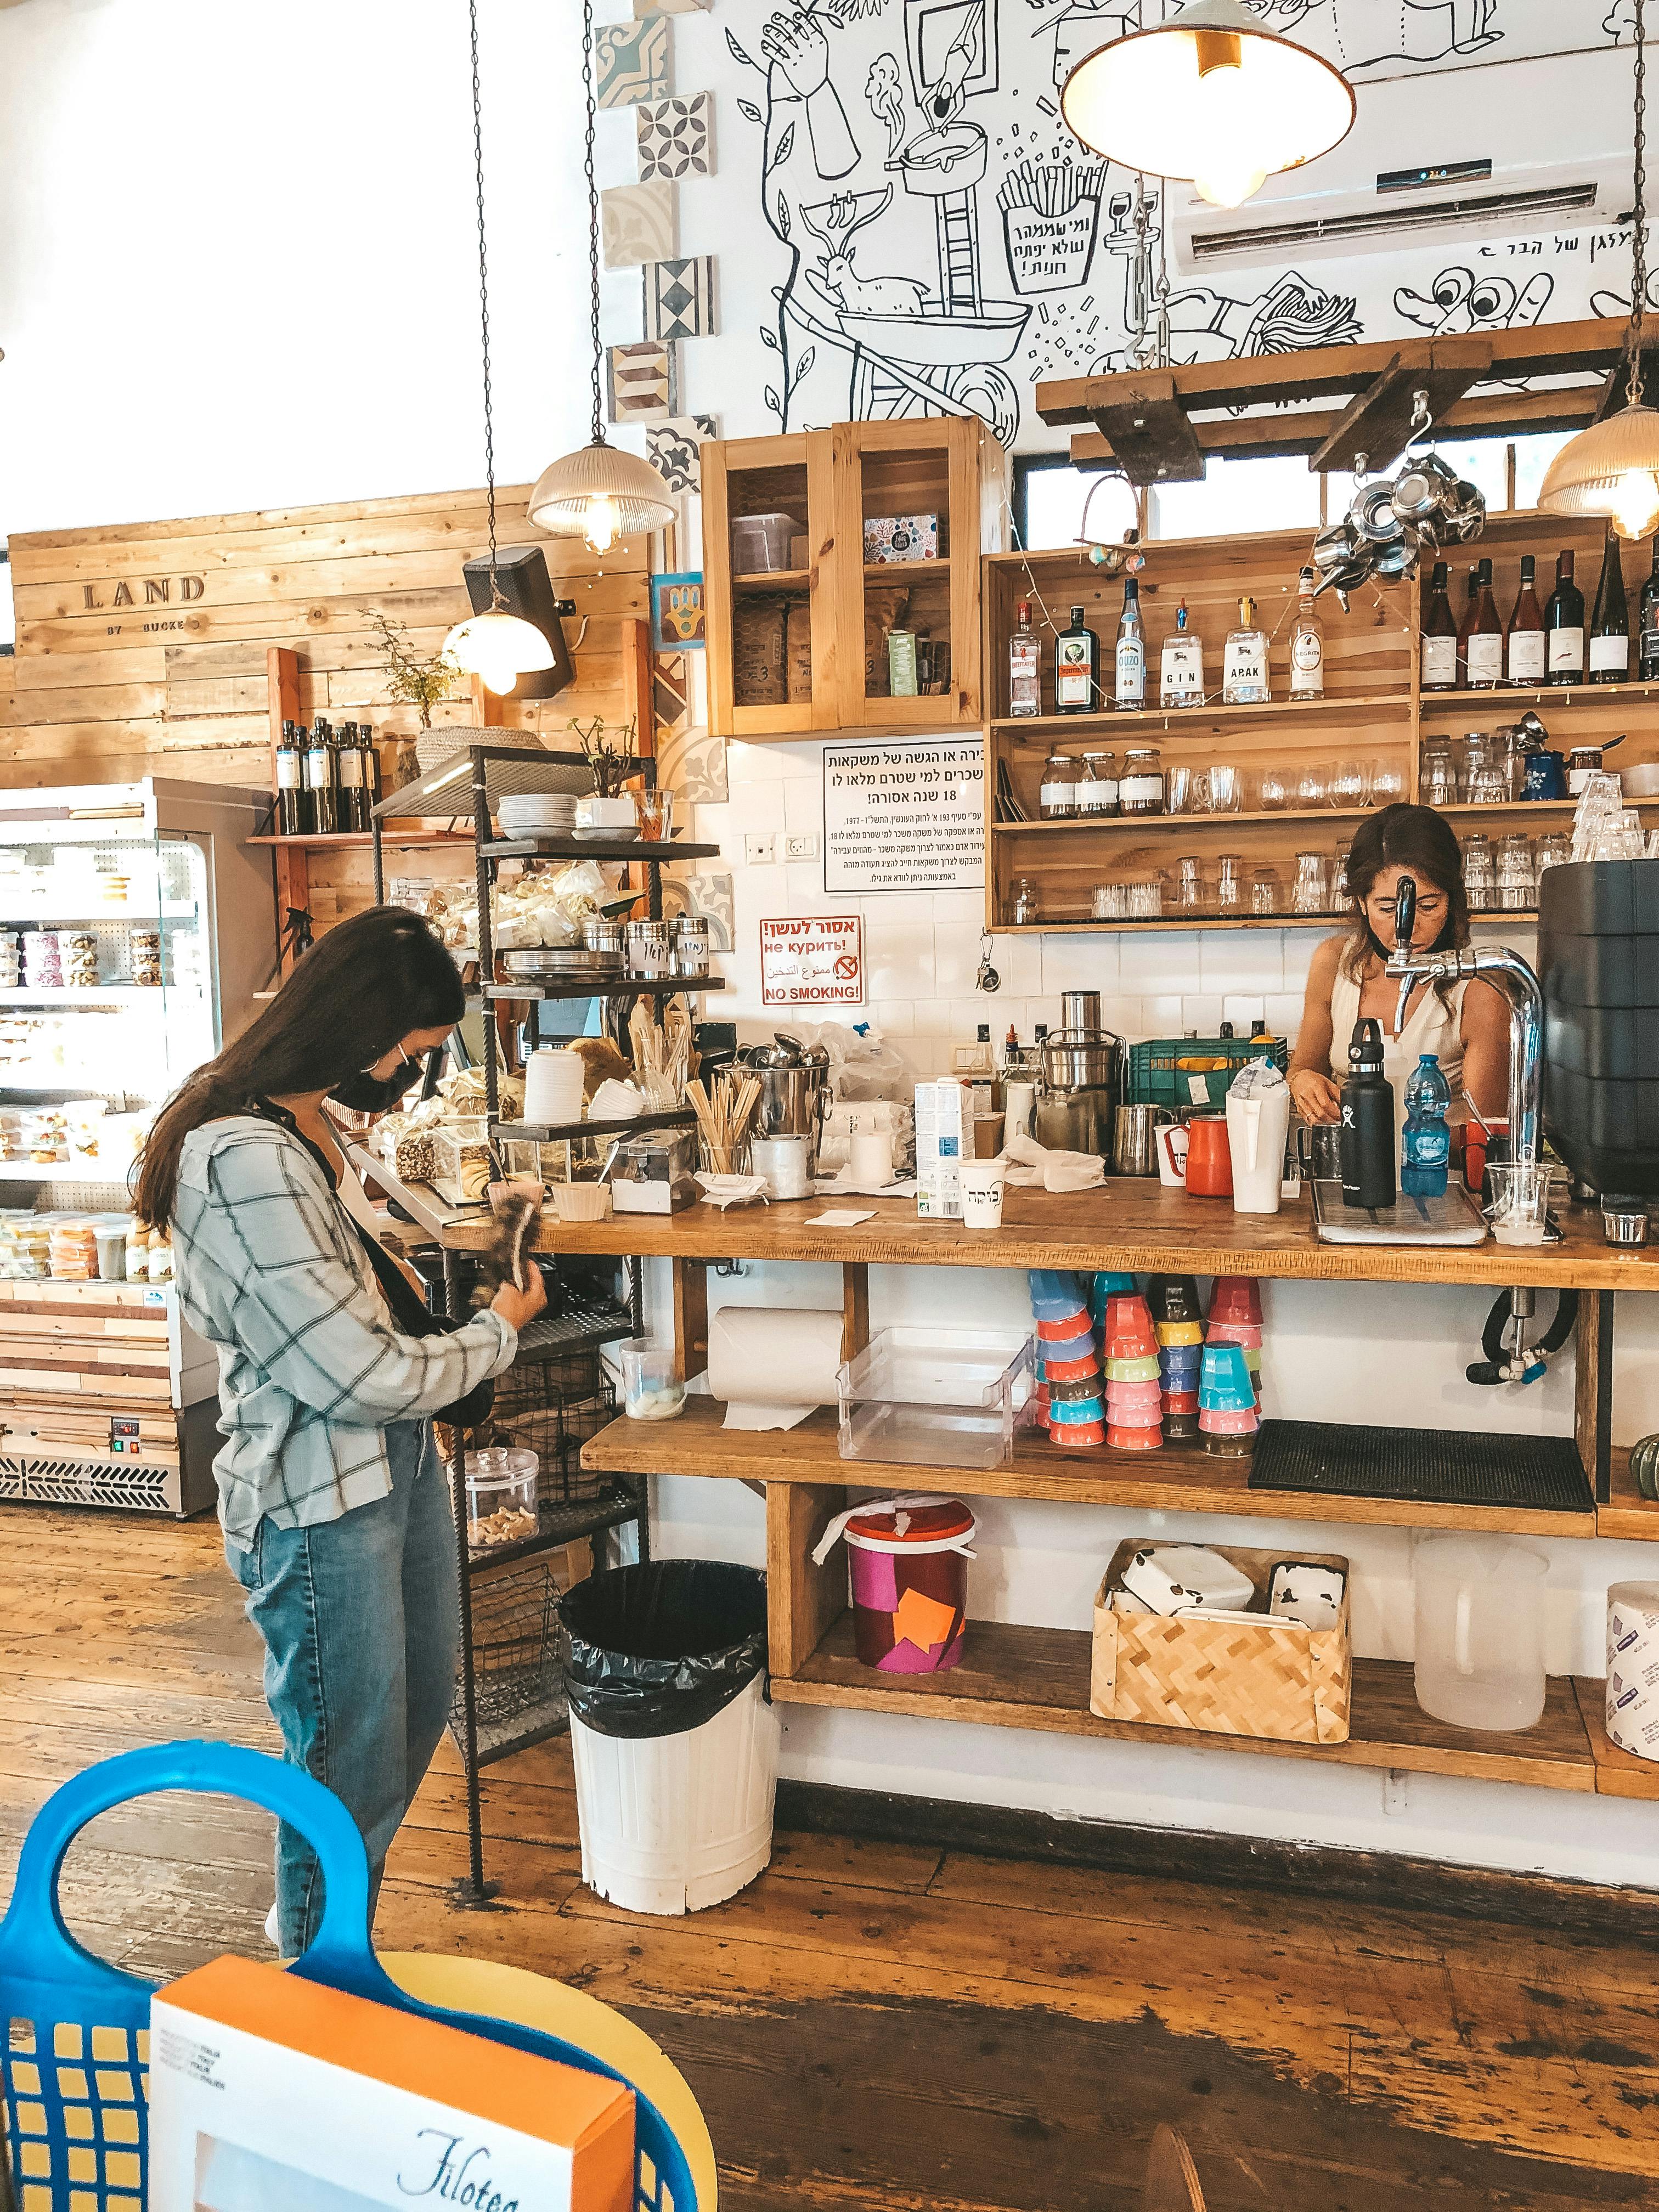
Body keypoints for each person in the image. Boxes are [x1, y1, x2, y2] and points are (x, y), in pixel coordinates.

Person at [134, 907, 544, 1955]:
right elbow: (354, 1370)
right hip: (315, 1496)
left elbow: (359, 1301)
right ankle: (315, 1969)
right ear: (353, 1030)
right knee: (344, 1751)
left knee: (408, 1716)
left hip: (386, 1468)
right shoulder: (240, 1157)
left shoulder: (307, 1123)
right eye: (407, 1054)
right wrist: (495, 1335)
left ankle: (318, 1923)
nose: (409, 1076)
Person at [1288, 802, 1509, 1140]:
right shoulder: (1333, 962)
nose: (1406, 927)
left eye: (1428, 906)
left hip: (1436, 1175)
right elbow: (1302, 1068)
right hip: (1348, 1165)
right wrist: (1303, 1082)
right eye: (1387, 908)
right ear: (1362, 902)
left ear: (1452, 902)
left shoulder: (1479, 988)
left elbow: (1483, 1127)